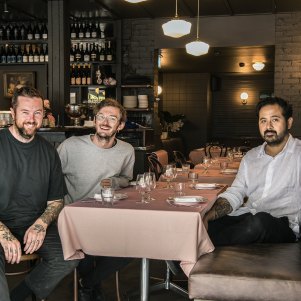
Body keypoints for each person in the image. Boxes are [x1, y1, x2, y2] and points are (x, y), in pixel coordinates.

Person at [0, 87, 78, 301]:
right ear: (13, 112)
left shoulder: (49, 151)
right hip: (0, 224)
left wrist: (40, 225)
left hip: (32, 224)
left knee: (68, 257)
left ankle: (18, 296)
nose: (31, 119)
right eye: (25, 112)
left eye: (37, 113)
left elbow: (55, 201)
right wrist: (4, 235)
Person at [57, 98, 135, 301]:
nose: (105, 122)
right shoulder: (70, 146)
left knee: (136, 242)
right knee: (86, 245)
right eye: (101, 116)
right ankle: (89, 287)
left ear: (121, 125)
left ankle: (88, 283)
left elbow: (126, 179)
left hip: (109, 214)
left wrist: (114, 182)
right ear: (94, 120)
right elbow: (51, 179)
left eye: (112, 118)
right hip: (75, 216)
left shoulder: (127, 151)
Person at [203, 96, 301, 246]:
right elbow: (236, 192)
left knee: (259, 222)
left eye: (275, 119)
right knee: (199, 221)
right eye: (263, 120)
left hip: (283, 225)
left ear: (289, 122)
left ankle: (200, 245)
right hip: (248, 217)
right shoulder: (251, 157)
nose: (268, 126)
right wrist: (209, 215)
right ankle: (194, 245)